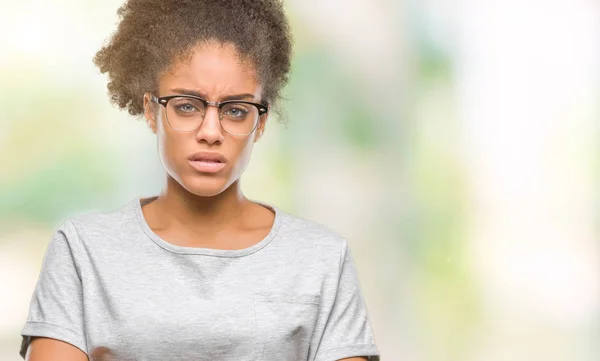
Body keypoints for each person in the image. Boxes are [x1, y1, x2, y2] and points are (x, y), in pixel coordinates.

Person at [19, 1, 381, 360]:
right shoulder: (84, 251)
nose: (211, 132)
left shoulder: (320, 259)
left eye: (236, 110)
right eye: (187, 105)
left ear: (260, 123)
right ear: (150, 110)